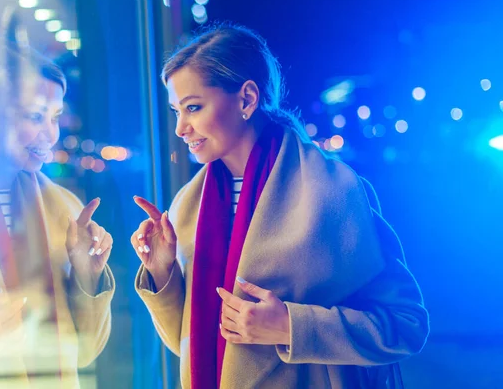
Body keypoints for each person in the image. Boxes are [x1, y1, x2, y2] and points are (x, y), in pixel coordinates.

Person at [131, 23, 429, 389]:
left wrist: (291, 326)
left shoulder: (333, 190)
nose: (180, 128)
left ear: (246, 100)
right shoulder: (187, 206)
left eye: (193, 107)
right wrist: (163, 273)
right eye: (176, 110)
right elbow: (192, 344)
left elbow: (406, 324)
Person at [0, 48, 115, 386]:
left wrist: (88, 277)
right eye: (36, 116)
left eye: (55, 117)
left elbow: (84, 352)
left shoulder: (65, 210)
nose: (51, 134)